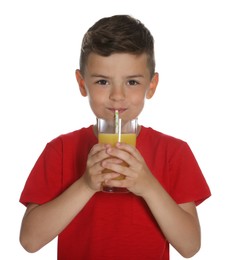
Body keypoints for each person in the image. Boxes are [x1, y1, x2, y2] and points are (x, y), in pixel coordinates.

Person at [19, 15, 211, 259]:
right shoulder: (61, 150)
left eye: (132, 82)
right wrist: (86, 185)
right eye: (102, 81)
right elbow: (29, 240)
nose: (117, 96)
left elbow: (190, 246)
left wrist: (148, 186)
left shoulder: (174, 152)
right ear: (81, 83)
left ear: (151, 86)